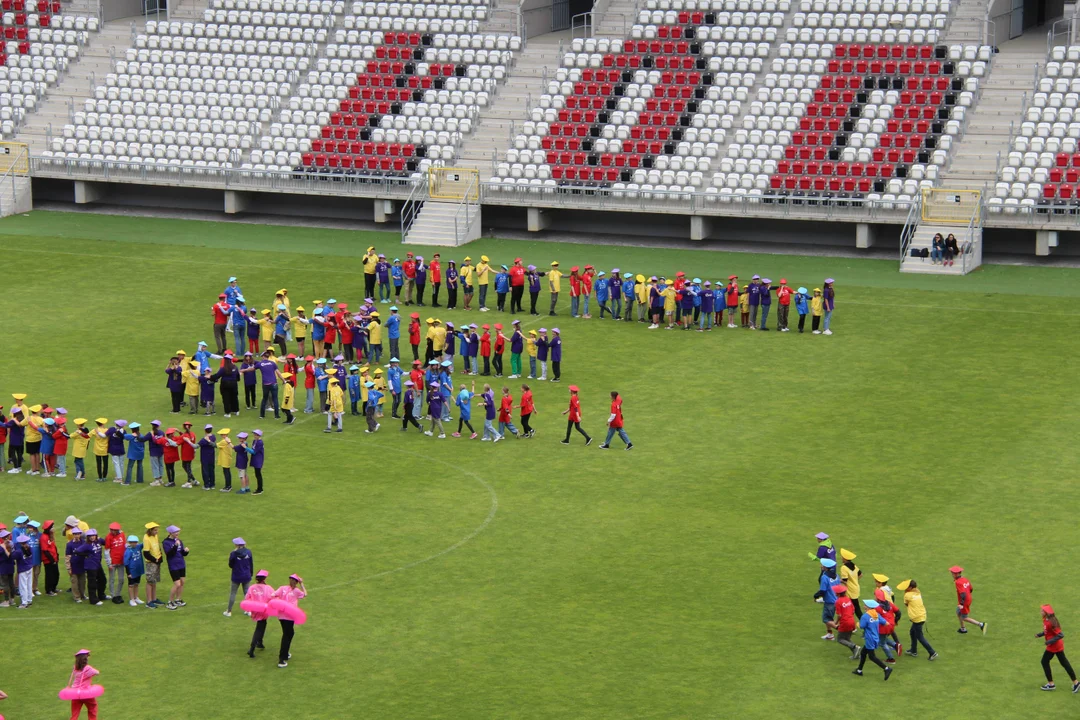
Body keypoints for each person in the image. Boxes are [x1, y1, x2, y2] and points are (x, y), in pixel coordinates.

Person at [1037, 604, 1080, 691]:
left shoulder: (1051, 622)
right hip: (1056, 645)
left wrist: (1049, 641)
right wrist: (1040, 634)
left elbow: (1060, 634)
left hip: (1054, 646)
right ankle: (1076, 683)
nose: (1040, 612)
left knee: (1044, 661)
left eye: (1042, 611)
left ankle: (1051, 684)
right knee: (1064, 663)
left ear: (1046, 613)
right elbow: (1048, 631)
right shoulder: (1047, 620)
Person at [853, 600, 893, 681]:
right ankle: (859, 670)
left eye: (865, 605)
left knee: (872, 657)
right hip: (875, 637)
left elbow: (861, 626)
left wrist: (857, 624)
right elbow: (886, 623)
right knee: (863, 653)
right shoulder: (876, 614)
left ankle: (886, 668)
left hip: (869, 638)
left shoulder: (865, 616)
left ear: (868, 607)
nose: (864, 606)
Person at [897, 579, 937, 660]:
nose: (905, 588)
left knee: (919, 636)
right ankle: (913, 650)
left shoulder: (907, 595)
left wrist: (905, 593)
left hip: (916, 617)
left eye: (907, 587)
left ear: (911, 587)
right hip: (922, 615)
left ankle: (932, 652)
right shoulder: (918, 591)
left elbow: (906, 604)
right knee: (912, 632)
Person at [275, 573, 307, 668]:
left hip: (281, 615)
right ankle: (282, 659)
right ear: (297, 582)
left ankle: (285, 653)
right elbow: (305, 594)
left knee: (288, 633)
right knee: (287, 635)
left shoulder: (282, 588)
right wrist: (302, 584)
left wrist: (279, 602)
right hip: (289, 616)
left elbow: (273, 595)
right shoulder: (296, 590)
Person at [951, 566, 987, 635]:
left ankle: (981, 625)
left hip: (964, 601)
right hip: (968, 598)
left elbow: (963, 595)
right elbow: (971, 589)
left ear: (956, 574)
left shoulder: (958, 582)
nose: (952, 575)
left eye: (952, 573)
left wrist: (961, 604)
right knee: (958, 612)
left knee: (964, 617)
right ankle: (963, 629)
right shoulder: (965, 579)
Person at [66, 648, 101, 720]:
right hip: (86, 693)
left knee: (75, 713)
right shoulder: (88, 668)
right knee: (92, 708)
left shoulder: (75, 667)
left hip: (75, 693)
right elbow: (97, 672)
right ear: (86, 659)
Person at [830, 584, 861, 660]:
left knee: (840, 639)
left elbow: (839, 615)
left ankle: (855, 647)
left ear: (838, 593)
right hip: (852, 621)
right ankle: (856, 654)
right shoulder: (848, 599)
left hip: (845, 622)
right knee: (847, 638)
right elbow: (853, 610)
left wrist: (836, 622)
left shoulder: (838, 602)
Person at [225, 537, 253, 617]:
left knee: (233, 593)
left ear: (237, 545)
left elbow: (230, 565)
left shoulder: (233, 554)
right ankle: (248, 610)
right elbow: (251, 564)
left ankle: (229, 611)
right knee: (247, 593)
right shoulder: (249, 552)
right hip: (246, 575)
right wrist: (250, 573)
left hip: (236, 576)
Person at [163, 525, 188, 610]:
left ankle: (178, 599)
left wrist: (186, 551)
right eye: (175, 532)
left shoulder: (179, 541)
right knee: (177, 584)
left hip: (181, 564)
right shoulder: (166, 542)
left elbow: (182, 553)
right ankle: (170, 601)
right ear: (170, 533)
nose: (177, 533)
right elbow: (169, 554)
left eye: (178, 531)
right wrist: (175, 546)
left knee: (182, 582)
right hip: (173, 565)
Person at [78, 528, 106, 606]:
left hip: (98, 565)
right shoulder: (86, 545)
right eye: (90, 536)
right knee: (92, 583)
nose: (92, 537)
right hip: (91, 566)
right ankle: (93, 600)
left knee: (102, 580)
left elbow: (106, 543)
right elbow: (77, 551)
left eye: (93, 535)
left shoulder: (99, 541)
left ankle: (101, 595)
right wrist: (86, 555)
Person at [813, 558, 838, 639]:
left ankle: (841, 629)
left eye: (822, 565)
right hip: (836, 599)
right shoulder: (836, 575)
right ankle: (830, 634)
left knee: (825, 619)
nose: (821, 566)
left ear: (826, 567)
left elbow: (823, 590)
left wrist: (816, 596)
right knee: (829, 618)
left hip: (830, 601)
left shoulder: (824, 577)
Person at [142, 522, 164, 608]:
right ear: (150, 530)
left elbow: (158, 546)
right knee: (150, 581)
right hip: (151, 563)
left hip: (157, 561)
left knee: (154, 581)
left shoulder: (155, 536)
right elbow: (146, 553)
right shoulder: (146, 538)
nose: (157, 531)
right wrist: (155, 560)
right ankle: (149, 601)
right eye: (155, 530)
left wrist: (160, 556)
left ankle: (154, 599)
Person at [104, 523, 126, 604]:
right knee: (112, 579)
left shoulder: (122, 534)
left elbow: (125, 545)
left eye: (114, 530)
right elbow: (106, 551)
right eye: (111, 530)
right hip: (113, 562)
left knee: (121, 579)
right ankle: (113, 595)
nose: (112, 531)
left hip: (121, 561)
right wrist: (109, 563)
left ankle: (118, 594)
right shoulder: (108, 537)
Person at [63, 527, 84, 604]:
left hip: (82, 565)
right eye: (75, 534)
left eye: (78, 534)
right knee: (74, 582)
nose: (76, 535)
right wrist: (69, 568)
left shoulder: (83, 542)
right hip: (74, 566)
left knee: (82, 582)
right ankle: (76, 597)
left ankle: (82, 595)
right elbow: (67, 557)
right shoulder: (69, 544)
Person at [839, 549, 862, 618]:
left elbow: (844, 580)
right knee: (856, 607)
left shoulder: (844, 568)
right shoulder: (854, 565)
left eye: (842, 557)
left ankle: (865, 623)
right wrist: (854, 580)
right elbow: (861, 574)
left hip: (849, 590)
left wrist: (838, 580)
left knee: (851, 607)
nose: (841, 558)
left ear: (845, 558)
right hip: (856, 588)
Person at [123, 534, 144, 607]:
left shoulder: (138, 547)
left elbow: (145, 543)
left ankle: (136, 597)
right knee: (131, 585)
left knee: (136, 584)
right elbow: (126, 563)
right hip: (132, 571)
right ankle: (131, 599)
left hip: (138, 570)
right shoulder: (128, 551)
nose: (134, 543)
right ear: (129, 542)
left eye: (135, 542)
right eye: (132, 542)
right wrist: (128, 573)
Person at [41, 520, 60, 596]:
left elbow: (53, 547)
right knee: (50, 575)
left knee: (56, 574)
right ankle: (48, 590)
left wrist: (57, 556)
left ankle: (53, 588)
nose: (53, 528)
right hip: (48, 560)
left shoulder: (50, 535)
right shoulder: (44, 537)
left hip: (54, 559)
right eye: (52, 527)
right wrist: (52, 560)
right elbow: (45, 550)